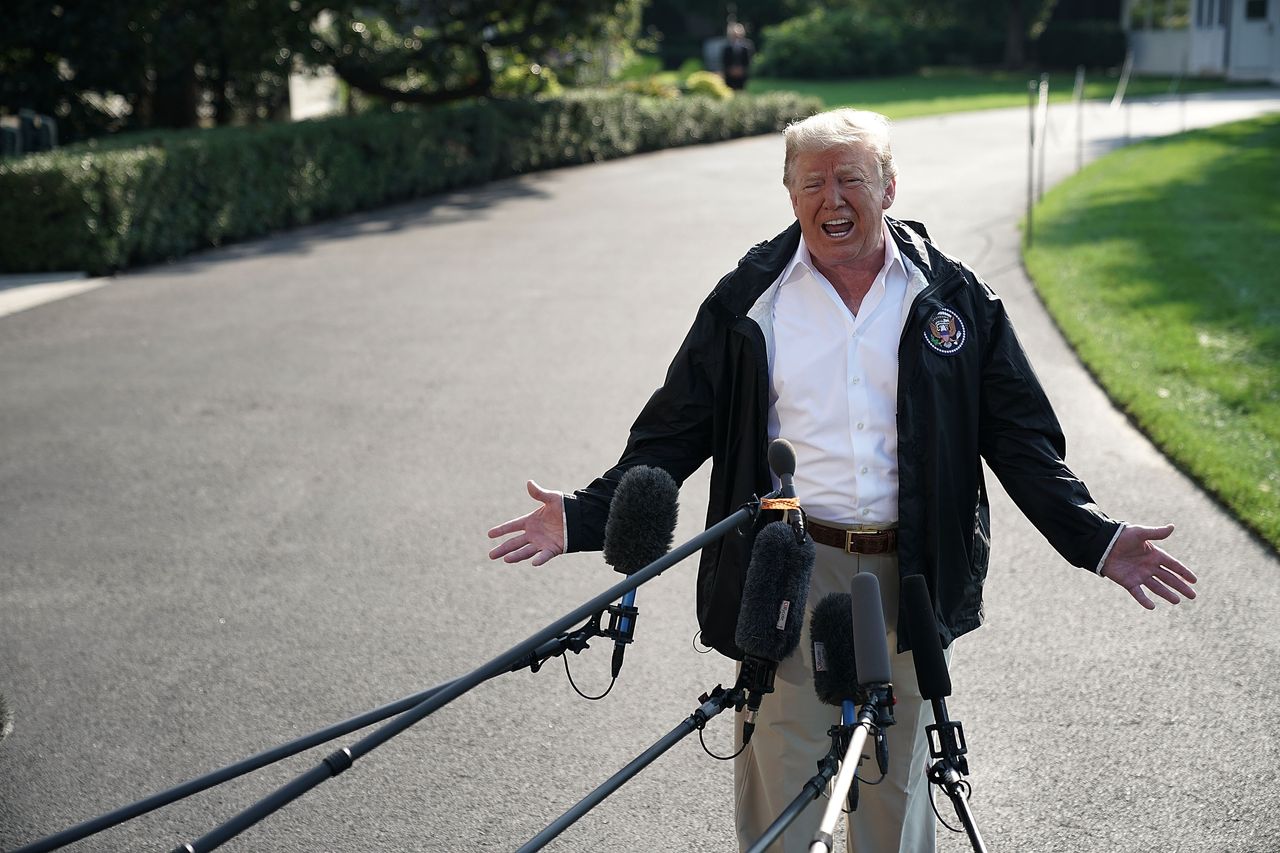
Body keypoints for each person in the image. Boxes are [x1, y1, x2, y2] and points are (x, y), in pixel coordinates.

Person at [487, 109, 1197, 853]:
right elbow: (673, 429)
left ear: (888, 187)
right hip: (791, 564)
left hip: (912, 569)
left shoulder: (953, 298)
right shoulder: (747, 302)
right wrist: (586, 516)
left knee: (897, 805)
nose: (832, 198)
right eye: (812, 182)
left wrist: (1097, 536)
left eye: (851, 178)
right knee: (786, 803)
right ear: (790, 194)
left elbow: (1021, 440)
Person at [721, 23, 755, 91]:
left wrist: (741, 69)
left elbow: (749, 60)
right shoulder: (726, 47)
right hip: (730, 74)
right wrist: (731, 70)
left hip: (742, 74)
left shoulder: (747, 46)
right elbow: (724, 60)